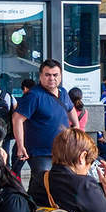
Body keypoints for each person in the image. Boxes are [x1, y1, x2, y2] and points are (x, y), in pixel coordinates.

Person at [13, 59, 72, 199]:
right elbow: (17, 119)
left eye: (55, 75)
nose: (52, 78)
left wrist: (76, 127)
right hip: (40, 152)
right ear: (40, 76)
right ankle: (36, 211)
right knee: (44, 184)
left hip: (62, 150)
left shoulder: (63, 92)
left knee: (46, 185)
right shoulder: (34, 95)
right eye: (47, 75)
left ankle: (32, 207)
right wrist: (20, 146)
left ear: (61, 76)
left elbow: (70, 109)